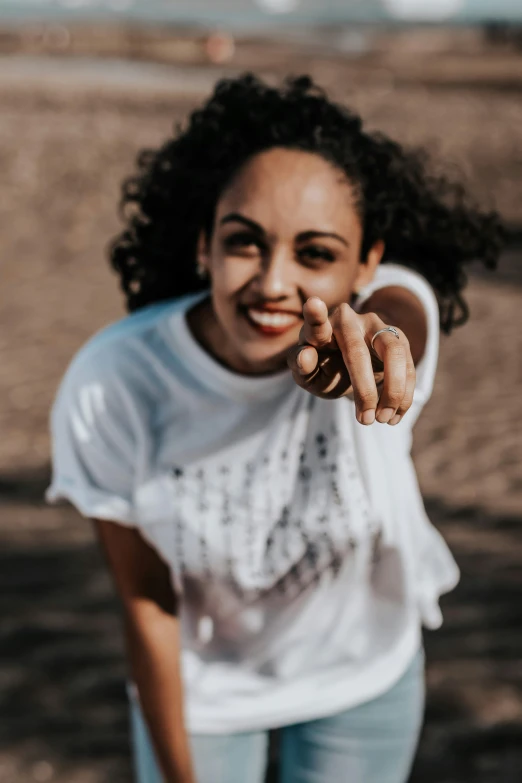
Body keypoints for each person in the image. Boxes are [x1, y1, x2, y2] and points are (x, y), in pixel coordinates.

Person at [47, 74, 503, 783]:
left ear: (367, 261)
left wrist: (371, 351)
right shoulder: (115, 383)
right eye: (245, 242)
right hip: (209, 694)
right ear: (203, 246)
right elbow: (147, 602)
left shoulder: (387, 330)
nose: (273, 282)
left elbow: (396, 324)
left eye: (316, 254)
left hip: (363, 677)